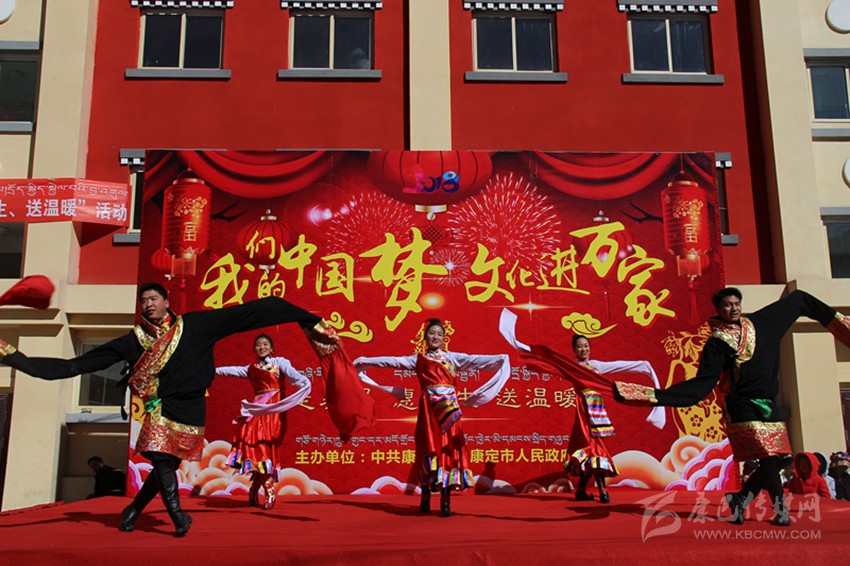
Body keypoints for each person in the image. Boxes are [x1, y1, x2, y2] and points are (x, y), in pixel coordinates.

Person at [0, 282, 358, 536]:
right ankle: (178, 516)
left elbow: (250, 313)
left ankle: (132, 511)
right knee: (160, 458)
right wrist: (13, 356)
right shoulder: (133, 341)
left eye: (153, 299)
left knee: (166, 466)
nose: (148, 305)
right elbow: (74, 366)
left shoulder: (196, 326)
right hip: (161, 408)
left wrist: (302, 317)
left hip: (192, 409)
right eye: (143, 301)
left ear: (166, 301)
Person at [613, 287, 850, 526]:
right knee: (768, 460)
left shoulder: (764, 322)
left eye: (736, 303)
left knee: (778, 460)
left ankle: (740, 500)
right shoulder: (717, 343)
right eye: (727, 305)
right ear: (719, 309)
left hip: (769, 404)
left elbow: (801, 300)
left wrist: (842, 327)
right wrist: (648, 395)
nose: (733, 308)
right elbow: (701, 386)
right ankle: (781, 511)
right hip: (741, 406)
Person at [498, 311, 664, 504]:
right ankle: (602, 491)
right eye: (579, 347)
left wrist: (644, 366)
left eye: (586, 346)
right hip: (584, 414)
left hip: (598, 412)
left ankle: (582, 490)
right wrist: (522, 347)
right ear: (574, 350)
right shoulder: (571, 367)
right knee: (594, 449)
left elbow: (621, 366)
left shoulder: (597, 366)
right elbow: (549, 361)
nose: (583, 349)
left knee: (591, 451)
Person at [353, 318, 511, 517]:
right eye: (432, 333)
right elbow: (391, 361)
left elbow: (477, 360)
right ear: (425, 337)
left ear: (444, 338)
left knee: (447, 450)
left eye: (439, 334)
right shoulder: (417, 359)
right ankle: (426, 497)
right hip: (429, 412)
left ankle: (445, 501)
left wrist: (500, 359)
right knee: (428, 449)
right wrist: (365, 361)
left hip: (449, 412)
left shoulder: (453, 358)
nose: (436, 337)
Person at [215, 333, 311, 509]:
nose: (262, 347)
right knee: (257, 449)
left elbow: (293, 375)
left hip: (274, 412)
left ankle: (254, 489)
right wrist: (210, 370)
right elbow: (229, 370)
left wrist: (304, 383)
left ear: (272, 348)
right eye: (258, 345)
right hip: (257, 412)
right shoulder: (251, 368)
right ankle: (267, 490)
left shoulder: (280, 362)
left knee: (268, 447)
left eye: (265, 344)